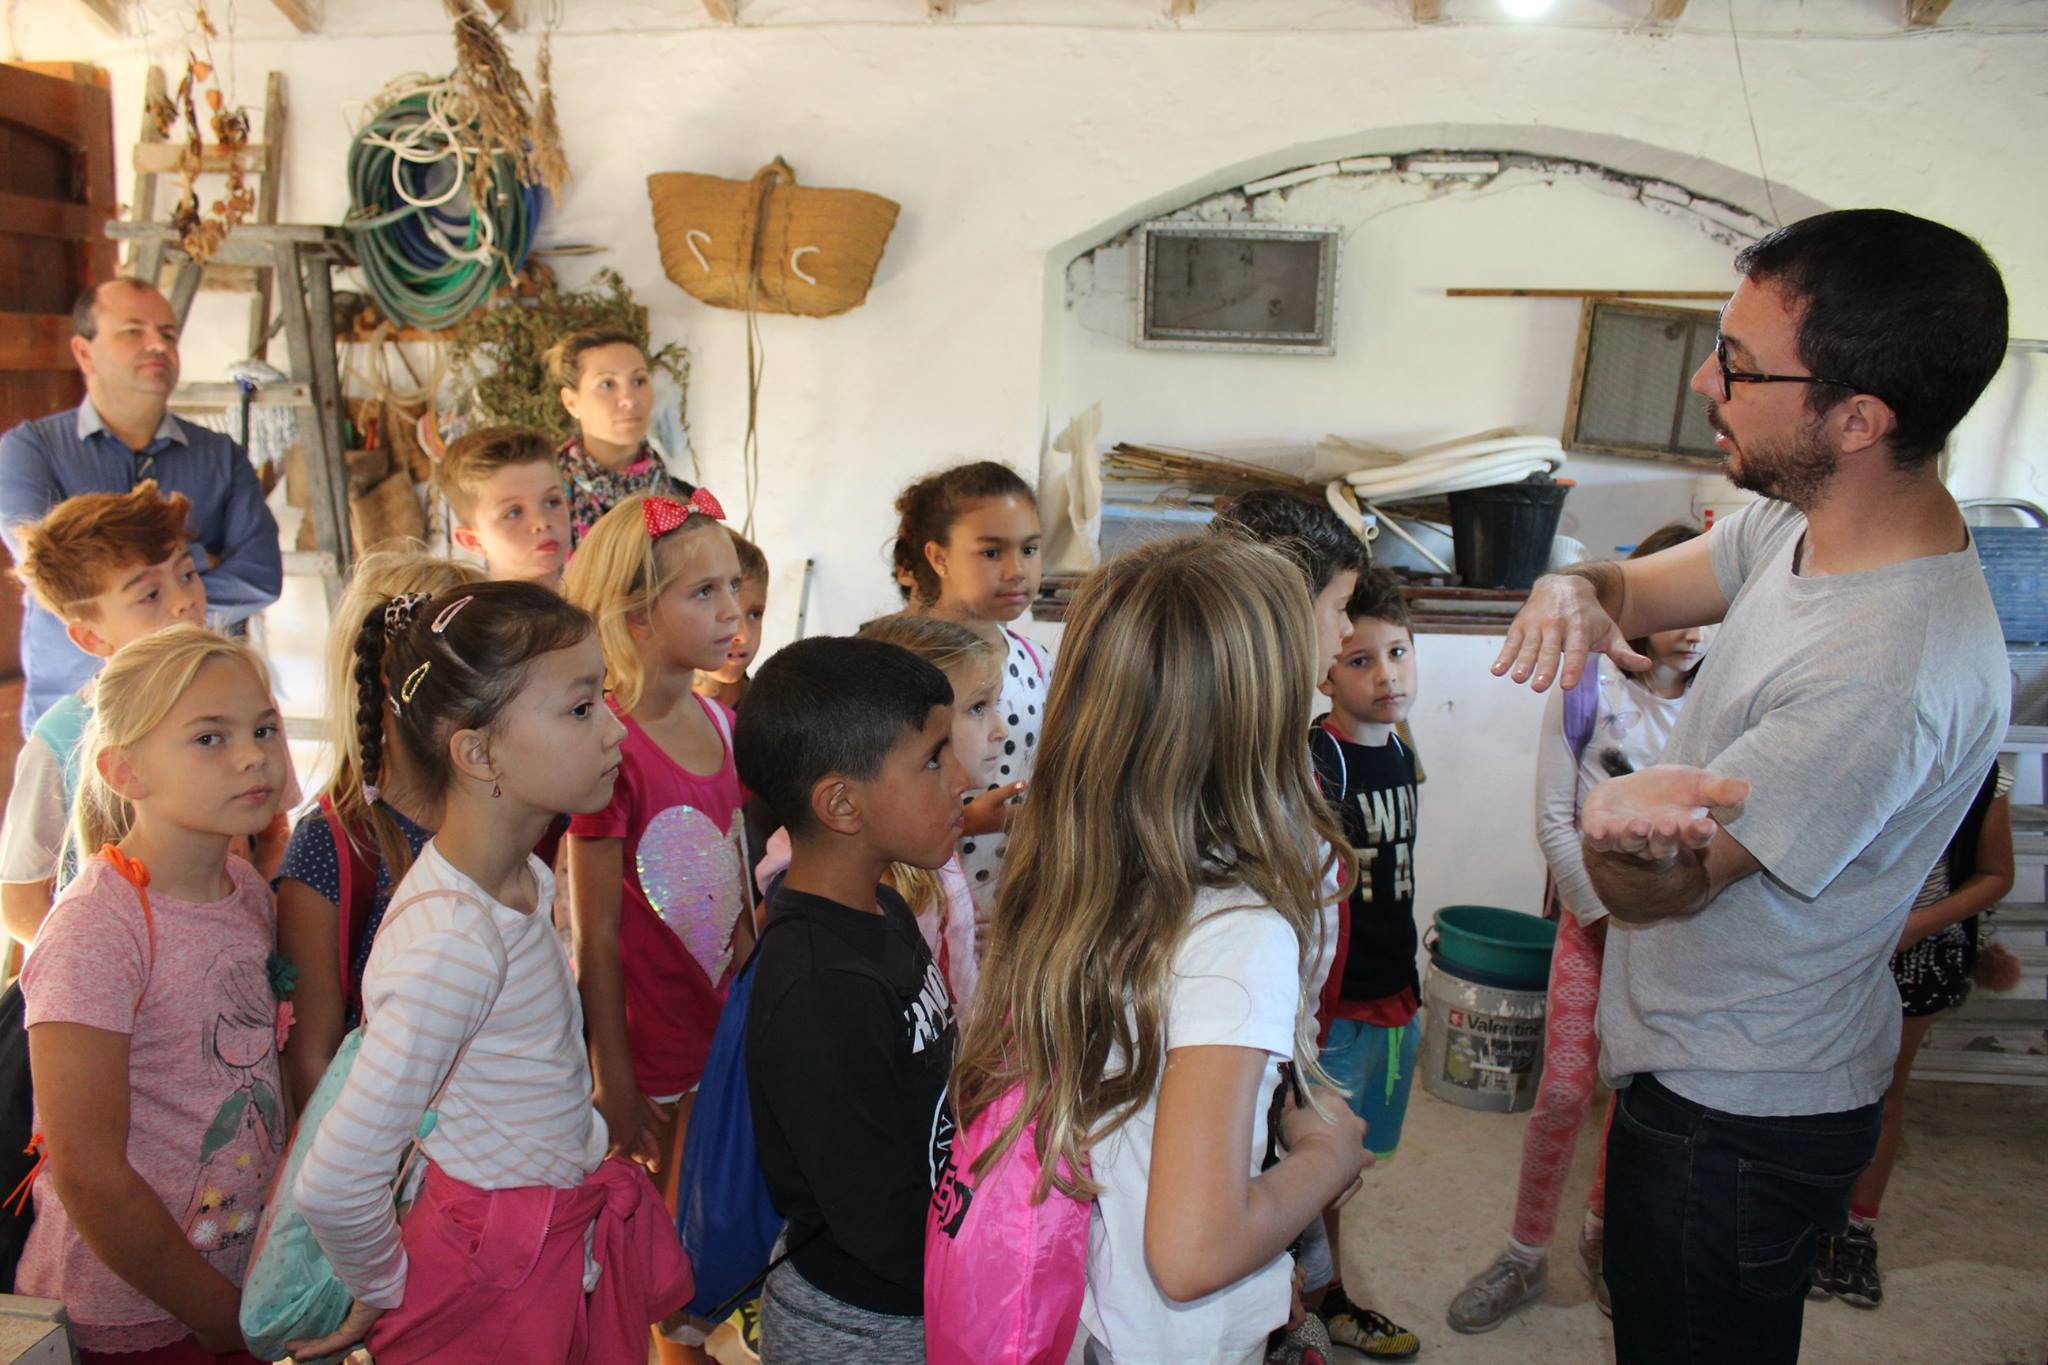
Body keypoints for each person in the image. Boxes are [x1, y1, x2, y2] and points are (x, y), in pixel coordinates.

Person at [1491, 208, 2011, 1365]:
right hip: (1699, 1065)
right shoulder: (1802, 523)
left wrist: (1615, 831)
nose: (1700, 378)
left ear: (1857, 418)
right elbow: (1635, 585)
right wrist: (1576, 586)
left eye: (1736, 361)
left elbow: (1661, 897)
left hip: (1736, 1110)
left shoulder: (1884, 668)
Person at [950, 532, 1368, 1365]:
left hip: (1092, 1314)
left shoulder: (1079, 867)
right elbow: (1191, 1254)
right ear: (1256, 715)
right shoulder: (1237, 932)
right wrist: (1327, 1156)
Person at [289, 581, 691, 1364]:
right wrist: (382, 1283)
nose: (615, 731)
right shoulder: (453, 941)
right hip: (489, 1289)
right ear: (477, 752)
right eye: (580, 709)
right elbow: (336, 1178)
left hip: (540, 1247)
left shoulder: (519, 883)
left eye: (603, 697)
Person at [1448, 524, 1709, 1334]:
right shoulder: (1587, 685)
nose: (1700, 623)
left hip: (1685, 937)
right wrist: (1610, 917)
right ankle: (1526, 1252)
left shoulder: (1725, 700)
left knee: (1637, 1099)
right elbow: (1555, 822)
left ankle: (1603, 1241)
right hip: (1595, 927)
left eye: (1714, 608)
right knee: (1564, 1090)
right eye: (1682, 605)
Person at [19, 626, 289, 1363]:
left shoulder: (245, 892)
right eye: (210, 738)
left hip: (235, 1288)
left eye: (263, 727)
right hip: (140, 1316)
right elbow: (87, 1172)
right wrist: (218, 1316)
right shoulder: (96, 930)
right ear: (125, 770)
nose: (252, 754)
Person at [733, 635, 972, 1361]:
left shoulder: (884, 910)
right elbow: (875, 1216)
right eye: (934, 758)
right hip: (866, 1324)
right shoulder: (820, 989)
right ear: (841, 802)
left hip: (922, 1290)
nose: (961, 776)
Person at [563, 490, 756, 1365]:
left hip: (721, 1037)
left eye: (736, 592)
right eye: (705, 594)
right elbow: (594, 935)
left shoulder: (718, 719)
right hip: (655, 1056)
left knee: (710, 1242)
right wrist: (616, 1078)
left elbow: (737, 883)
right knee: (666, 1270)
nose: (733, 614)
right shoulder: (612, 746)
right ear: (637, 617)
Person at [0, 278, 281, 730]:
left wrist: (138, 593)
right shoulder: (30, 449)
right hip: (77, 715)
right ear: (84, 351)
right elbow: (50, 572)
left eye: (168, 334)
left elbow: (262, 577)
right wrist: (195, 564)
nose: (158, 345)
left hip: (200, 713)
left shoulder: (220, 455)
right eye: (133, 331)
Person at [272, 547, 484, 1107]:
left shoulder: (498, 806)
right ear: (394, 683)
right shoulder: (334, 846)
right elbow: (311, 1058)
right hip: (385, 1152)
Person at [1810, 759, 2014, 1309]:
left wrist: (1916, 927)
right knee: (1806, 1088)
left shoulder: (1980, 771)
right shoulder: (1835, 749)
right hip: (1826, 943)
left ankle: (1855, 1234)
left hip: (1916, 950)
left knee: (1882, 1090)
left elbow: (1996, 874)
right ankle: (1808, 1227)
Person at [0, 482, 206, 947]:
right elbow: (20, 901)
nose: (184, 600)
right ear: (92, 639)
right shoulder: (62, 737)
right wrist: (93, 972)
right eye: (149, 595)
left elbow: (272, 836)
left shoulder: (239, 701)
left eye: (188, 574)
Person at [1306, 568, 1423, 1360]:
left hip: (1394, 992)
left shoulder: (1404, 750)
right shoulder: (1324, 757)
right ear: (1325, 671)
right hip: (1339, 1005)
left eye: (1400, 653)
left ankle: (1323, 1290)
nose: (1387, 675)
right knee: (1316, 1167)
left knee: (1351, 1165)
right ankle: (1318, 1302)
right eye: (1362, 659)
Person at [891, 461, 1048, 926]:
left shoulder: (1039, 662)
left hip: (1022, 914)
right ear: (938, 558)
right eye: (991, 553)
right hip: (931, 915)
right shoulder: (901, 665)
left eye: (1030, 549)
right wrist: (966, 821)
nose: (1017, 571)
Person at [546, 326, 693, 546]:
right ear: (571, 401)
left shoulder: (683, 500)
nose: (629, 399)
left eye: (639, 381)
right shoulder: (545, 497)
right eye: (607, 384)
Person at [436, 426, 575, 586]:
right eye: (513, 513)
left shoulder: (600, 593)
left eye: (552, 501)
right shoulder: (481, 611)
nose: (542, 522)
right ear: (472, 540)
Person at [694, 531, 770, 709]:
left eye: (755, 614)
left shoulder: (768, 719)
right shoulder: (640, 713)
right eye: (723, 613)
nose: (742, 635)